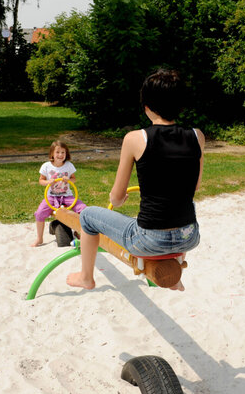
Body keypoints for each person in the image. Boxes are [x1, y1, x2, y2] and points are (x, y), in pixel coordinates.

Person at [66, 68, 205, 290]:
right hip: (190, 237)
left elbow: (117, 196)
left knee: (88, 216)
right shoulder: (197, 136)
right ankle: (175, 271)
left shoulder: (135, 138)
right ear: (181, 105)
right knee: (184, 205)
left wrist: (119, 202)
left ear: (147, 107)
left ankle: (86, 277)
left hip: (149, 240)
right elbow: (194, 185)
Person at [31, 140, 86, 247]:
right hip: (51, 196)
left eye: (63, 152)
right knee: (39, 213)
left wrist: (69, 180)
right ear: (52, 153)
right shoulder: (46, 166)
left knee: (83, 209)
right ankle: (39, 238)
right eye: (58, 152)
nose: (60, 155)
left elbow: (74, 179)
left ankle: (78, 232)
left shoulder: (69, 165)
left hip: (67, 196)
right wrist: (48, 182)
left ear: (66, 154)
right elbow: (41, 180)